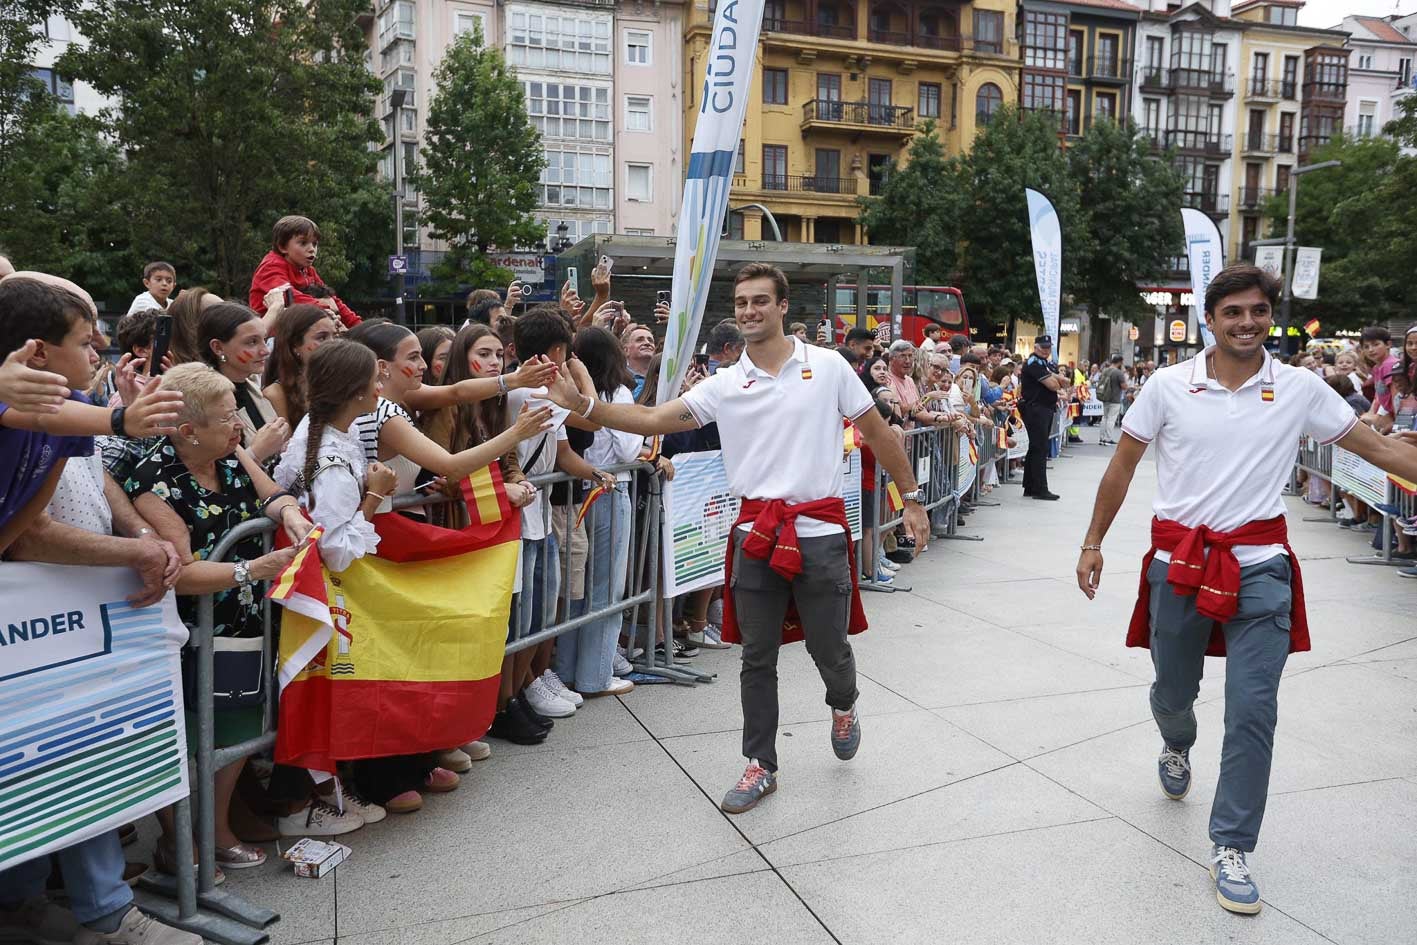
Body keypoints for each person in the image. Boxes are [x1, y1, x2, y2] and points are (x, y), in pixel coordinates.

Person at [1075, 265, 1417, 916]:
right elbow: (1120, 466)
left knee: (1252, 709)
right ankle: (1175, 741)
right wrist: (1092, 542)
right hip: (1180, 560)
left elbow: (1374, 449)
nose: (1246, 323)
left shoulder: (1296, 388)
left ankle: (1231, 844)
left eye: (1257, 311)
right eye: (1232, 312)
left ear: (1269, 317)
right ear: (1209, 318)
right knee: (1172, 691)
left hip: (1260, 566)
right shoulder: (1168, 386)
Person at [540, 263, 929, 814]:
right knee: (755, 656)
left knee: (828, 646)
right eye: (742, 302)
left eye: (760, 301)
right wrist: (582, 406)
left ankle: (843, 703)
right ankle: (760, 764)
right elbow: (650, 421)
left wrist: (910, 498)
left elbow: (877, 433)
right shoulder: (726, 383)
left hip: (817, 530)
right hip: (755, 535)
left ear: (782, 306)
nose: (749, 310)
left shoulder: (830, 366)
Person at [247, 215, 361, 328]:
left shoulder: (308, 270)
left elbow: (333, 300)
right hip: (269, 334)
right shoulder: (271, 266)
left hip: (296, 327)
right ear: (282, 247)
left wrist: (358, 326)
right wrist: (324, 311)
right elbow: (290, 296)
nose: (312, 249)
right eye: (303, 243)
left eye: (314, 244)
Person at [263, 304, 337, 424]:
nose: (333, 344)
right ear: (295, 345)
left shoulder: (338, 382)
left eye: (335, 336)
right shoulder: (275, 394)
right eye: (322, 338)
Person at [1019, 334, 1063, 500]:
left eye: (1048, 347)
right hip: (1037, 408)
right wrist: (1057, 380)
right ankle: (1040, 488)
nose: (1046, 350)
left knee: (1036, 447)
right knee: (1040, 448)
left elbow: (1064, 381)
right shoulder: (1034, 363)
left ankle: (1030, 486)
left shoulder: (1044, 363)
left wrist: (1057, 380)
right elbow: (1053, 384)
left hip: (1041, 408)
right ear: (1035, 347)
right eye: (1043, 347)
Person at [1097, 355, 1127, 446]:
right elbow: (1124, 386)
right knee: (1111, 419)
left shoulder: (1105, 370)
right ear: (1120, 362)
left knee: (1104, 417)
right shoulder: (1118, 373)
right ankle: (1108, 438)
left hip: (1105, 396)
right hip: (1114, 398)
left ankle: (1102, 438)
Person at [622, 324, 656, 397]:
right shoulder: (618, 378)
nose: (647, 343)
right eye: (639, 340)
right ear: (626, 350)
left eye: (650, 340)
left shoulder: (662, 379)